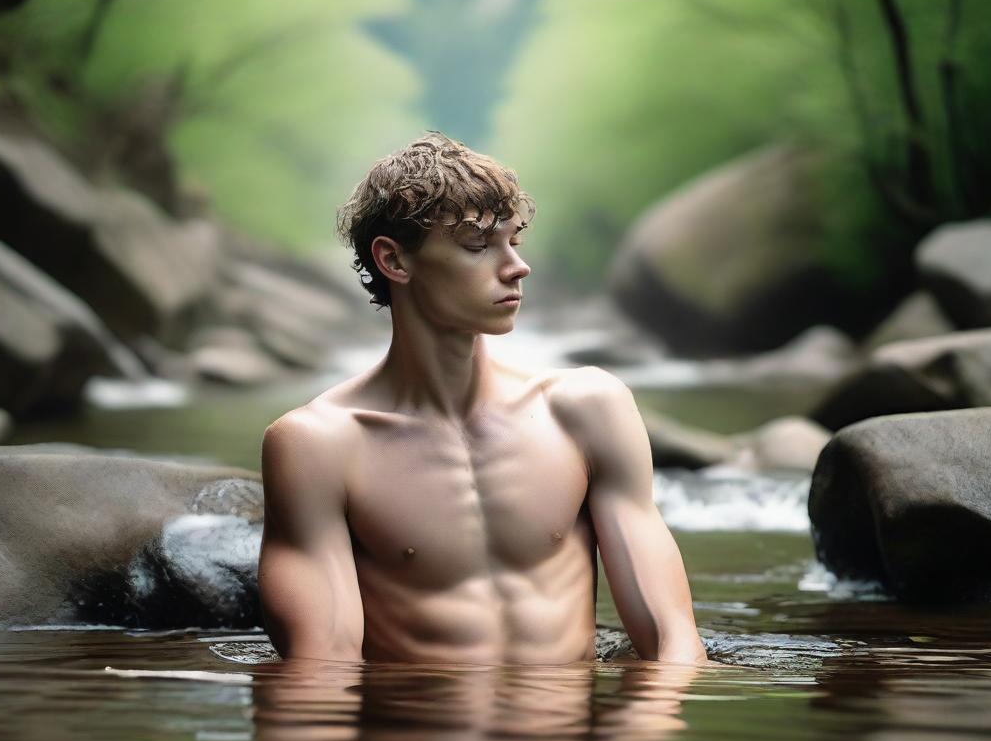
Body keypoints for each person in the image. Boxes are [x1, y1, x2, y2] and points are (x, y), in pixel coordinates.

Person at [258, 131, 708, 667]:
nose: (517, 266)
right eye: (478, 246)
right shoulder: (319, 445)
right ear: (395, 261)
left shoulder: (586, 410)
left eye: (514, 240)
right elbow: (322, 669)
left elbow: (674, 645)